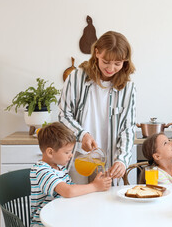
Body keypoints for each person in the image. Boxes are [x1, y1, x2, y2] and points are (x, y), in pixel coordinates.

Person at [58, 31, 136, 183]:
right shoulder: (76, 77)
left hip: (109, 161)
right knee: (77, 202)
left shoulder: (128, 88)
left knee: (105, 204)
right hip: (78, 156)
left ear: (125, 61)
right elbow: (64, 115)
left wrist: (122, 160)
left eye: (117, 63)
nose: (111, 68)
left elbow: (128, 128)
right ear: (97, 52)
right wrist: (83, 134)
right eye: (106, 61)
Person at [30, 122, 112, 227]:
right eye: (67, 152)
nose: (71, 155)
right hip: (44, 224)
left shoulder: (60, 168)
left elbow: (73, 189)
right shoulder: (41, 170)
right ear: (50, 152)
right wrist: (95, 186)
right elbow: (68, 191)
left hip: (61, 218)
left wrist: (98, 184)